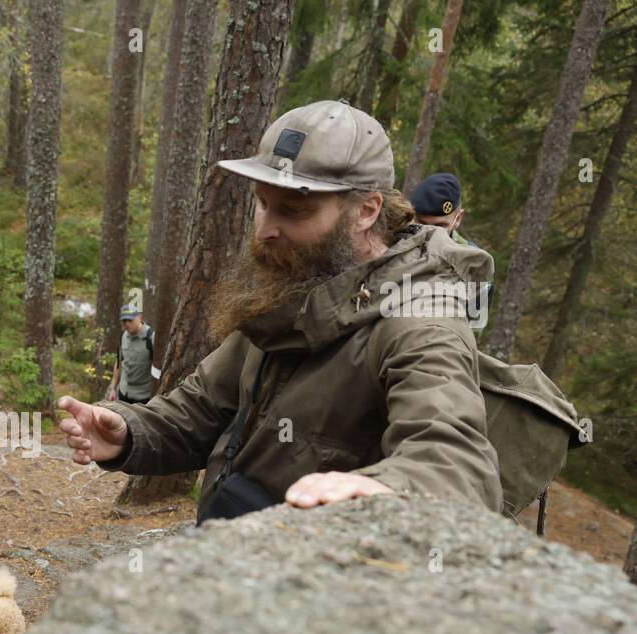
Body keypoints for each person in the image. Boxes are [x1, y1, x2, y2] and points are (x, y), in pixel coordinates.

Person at [58, 100, 500, 523]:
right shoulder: (289, 291)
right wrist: (128, 431)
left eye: (293, 210)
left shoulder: (422, 325)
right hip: (233, 559)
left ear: (366, 211)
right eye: (263, 203)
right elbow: (199, 411)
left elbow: (454, 463)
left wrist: (392, 495)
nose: (266, 229)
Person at [409, 172, 491, 323]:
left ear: (457, 219)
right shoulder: (394, 242)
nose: (430, 233)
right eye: (421, 224)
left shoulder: (472, 263)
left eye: (440, 227)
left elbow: (474, 323)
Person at [104, 303, 155, 405]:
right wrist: (112, 387)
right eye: (124, 321)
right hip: (123, 393)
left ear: (139, 317)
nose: (127, 324)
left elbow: (159, 368)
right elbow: (119, 362)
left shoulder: (152, 337)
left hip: (143, 397)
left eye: (130, 320)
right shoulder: (123, 336)